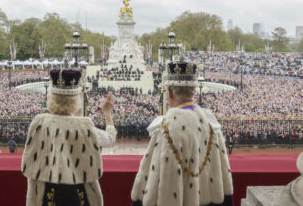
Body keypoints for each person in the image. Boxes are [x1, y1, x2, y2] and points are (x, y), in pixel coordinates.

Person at [131, 57, 233, 206]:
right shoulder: (212, 126)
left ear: (170, 92)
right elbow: (224, 183)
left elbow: (149, 180)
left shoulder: (164, 129)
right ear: (194, 91)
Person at [21, 68, 116, 206]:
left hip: (46, 193)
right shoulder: (84, 126)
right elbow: (110, 138)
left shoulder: (39, 123)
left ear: (51, 97)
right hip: (78, 193)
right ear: (75, 100)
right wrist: (107, 114)